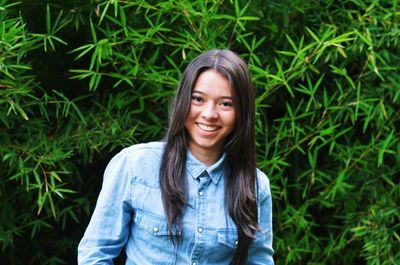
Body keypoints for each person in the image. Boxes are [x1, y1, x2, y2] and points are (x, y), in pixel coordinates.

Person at [78, 49, 274, 264]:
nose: (209, 114)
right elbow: (95, 254)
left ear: (241, 112)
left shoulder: (255, 186)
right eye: (198, 99)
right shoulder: (135, 165)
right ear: (182, 101)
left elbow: (258, 261)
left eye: (225, 103)